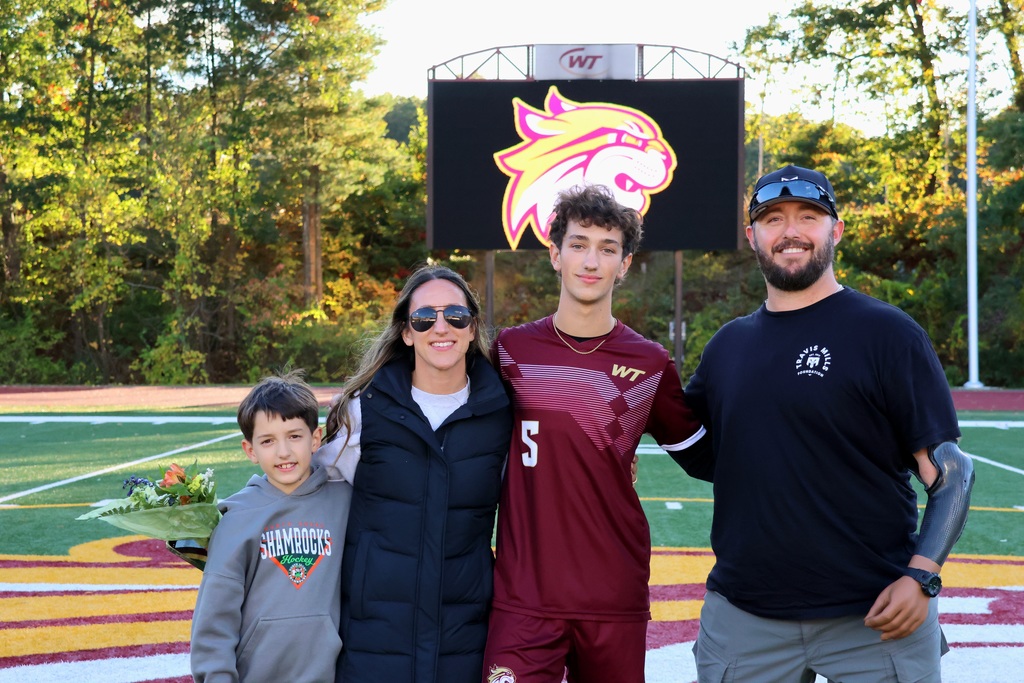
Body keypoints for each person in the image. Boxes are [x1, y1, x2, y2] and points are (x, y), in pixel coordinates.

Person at [684, 164, 975, 682]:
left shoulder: (887, 333)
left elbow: (952, 472)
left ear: (835, 230)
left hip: (875, 615)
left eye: (808, 216)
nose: (790, 231)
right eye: (772, 218)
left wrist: (923, 576)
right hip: (745, 617)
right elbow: (704, 454)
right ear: (752, 236)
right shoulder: (728, 346)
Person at [482, 184, 712, 683]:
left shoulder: (650, 363)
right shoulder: (509, 351)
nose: (591, 261)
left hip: (612, 592)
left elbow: (706, 458)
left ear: (624, 264)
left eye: (607, 249)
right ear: (555, 255)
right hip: (525, 595)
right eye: (579, 244)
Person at [315, 264, 512, 683]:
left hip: (464, 637)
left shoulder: (503, 416)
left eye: (455, 315)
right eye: (425, 318)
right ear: (407, 332)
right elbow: (307, 493)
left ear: (473, 328)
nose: (441, 327)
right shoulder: (361, 412)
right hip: (373, 637)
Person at [190, 371, 352, 683]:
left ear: (315, 439)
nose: (283, 452)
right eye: (267, 441)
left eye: (294, 436)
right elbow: (215, 618)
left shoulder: (345, 501)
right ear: (250, 450)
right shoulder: (238, 517)